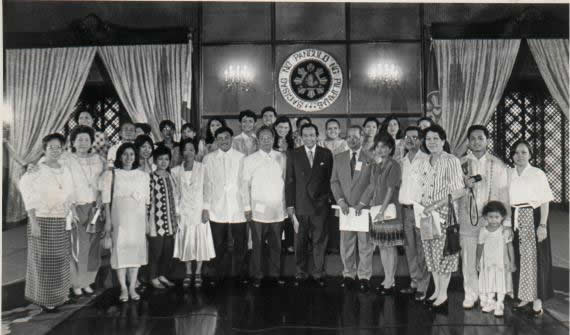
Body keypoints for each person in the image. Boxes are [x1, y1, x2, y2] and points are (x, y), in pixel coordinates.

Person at [19, 133, 78, 312]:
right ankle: (45, 299)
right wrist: (33, 221)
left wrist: (72, 212)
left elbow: (70, 193)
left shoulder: (65, 169)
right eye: (51, 147)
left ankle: (59, 295)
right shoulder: (36, 169)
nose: (55, 150)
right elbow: (27, 194)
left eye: (58, 147)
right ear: (44, 149)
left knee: (60, 259)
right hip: (41, 220)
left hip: (61, 220)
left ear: (63, 149)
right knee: (43, 261)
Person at [459, 125, 511, 309]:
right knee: (469, 258)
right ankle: (470, 294)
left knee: (491, 260)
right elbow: (454, 192)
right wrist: (464, 186)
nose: (476, 142)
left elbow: (504, 194)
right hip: (467, 218)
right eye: (472, 138)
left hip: (493, 221)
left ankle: (488, 296)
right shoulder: (461, 163)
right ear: (468, 141)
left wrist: (507, 223)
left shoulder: (497, 164)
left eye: (480, 138)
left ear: (487, 140)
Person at [417, 125, 465, 311]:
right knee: (431, 255)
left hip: (444, 214)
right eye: (428, 139)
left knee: (444, 255)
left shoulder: (451, 160)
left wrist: (435, 205)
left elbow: (459, 190)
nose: (432, 142)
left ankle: (444, 294)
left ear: (443, 141)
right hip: (426, 214)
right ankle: (437, 290)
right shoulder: (424, 161)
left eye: (436, 138)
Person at [285, 123, 334, 287]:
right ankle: (300, 272)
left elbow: (330, 180)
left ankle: (318, 273)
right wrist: (290, 205)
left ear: (317, 136)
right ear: (300, 137)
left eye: (312, 135)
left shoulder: (326, 154)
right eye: (305, 135)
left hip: (320, 205)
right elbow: (290, 181)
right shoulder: (293, 154)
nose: (309, 138)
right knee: (300, 241)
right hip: (300, 205)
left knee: (320, 241)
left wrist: (327, 199)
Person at [509, 140, 554, 316]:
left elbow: (544, 201)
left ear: (530, 154)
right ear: (511, 155)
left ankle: (537, 300)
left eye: (524, 152)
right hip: (516, 218)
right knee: (521, 258)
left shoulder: (537, 174)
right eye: (516, 152)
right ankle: (525, 296)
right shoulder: (509, 173)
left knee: (537, 259)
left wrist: (542, 224)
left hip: (534, 217)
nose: (519, 156)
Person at [102, 142, 150, 302]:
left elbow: (146, 201)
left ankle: (132, 287)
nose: (129, 158)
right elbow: (106, 200)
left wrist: (147, 221)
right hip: (119, 218)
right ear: (119, 156)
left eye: (132, 154)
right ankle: (123, 287)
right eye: (125, 154)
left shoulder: (143, 175)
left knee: (135, 251)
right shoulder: (111, 174)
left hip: (137, 218)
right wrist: (108, 221)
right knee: (120, 250)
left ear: (136, 157)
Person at [357, 133, 404, 295]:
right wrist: (363, 204)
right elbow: (372, 187)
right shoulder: (377, 166)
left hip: (388, 211)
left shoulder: (394, 165)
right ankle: (387, 278)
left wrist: (382, 211)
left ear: (391, 148)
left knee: (389, 247)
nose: (380, 149)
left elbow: (391, 190)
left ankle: (390, 282)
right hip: (377, 210)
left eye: (384, 146)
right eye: (378, 147)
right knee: (384, 247)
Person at [330, 125, 374, 291]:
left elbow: (373, 183)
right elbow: (334, 182)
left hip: (363, 208)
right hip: (345, 208)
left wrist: (362, 203)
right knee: (346, 243)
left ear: (362, 137)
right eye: (349, 137)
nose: (352, 140)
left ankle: (364, 276)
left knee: (365, 244)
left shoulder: (370, 157)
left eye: (355, 137)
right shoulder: (339, 157)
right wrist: (340, 201)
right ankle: (348, 274)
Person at [63, 126, 106, 297]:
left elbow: (105, 181)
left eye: (86, 139)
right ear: (73, 142)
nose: (83, 143)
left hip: (95, 207)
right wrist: (70, 207)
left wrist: (102, 198)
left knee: (94, 247)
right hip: (76, 206)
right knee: (79, 247)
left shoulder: (98, 159)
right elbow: (64, 185)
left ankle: (88, 281)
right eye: (79, 139)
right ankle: (77, 283)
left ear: (91, 142)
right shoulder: (66, 159)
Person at [242, 126, 287, 288]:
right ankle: (257, 275)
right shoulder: (249, 160)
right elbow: (244, 186)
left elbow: (285, 183)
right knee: (258, 244)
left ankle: (275, 274)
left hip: (277, 210)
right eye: (263, 138)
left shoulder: (282, 157)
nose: (266, 140)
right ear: (258, 140)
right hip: (257, 210)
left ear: (274, 139)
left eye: (269, 137)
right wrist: (247, 207)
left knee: (276, 244)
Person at [202, 126, 248, 286]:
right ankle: (217, 275)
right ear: (216, 140)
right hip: (217, 207)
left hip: (238, 207)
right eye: (220, 138)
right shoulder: (208, 158)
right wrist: (206, 207)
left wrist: (247, 207)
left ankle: (239, 275)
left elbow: (245, 183)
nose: (223, 141)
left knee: (240, 243)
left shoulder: (242, 157)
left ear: (232, 138)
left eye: (226, 137)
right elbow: (207, 184)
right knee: (217, 243)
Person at [172, 138, 216, 289]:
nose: (188, 152)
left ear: (195, 152)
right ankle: (188, 272)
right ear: (181, 152)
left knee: (199, 241)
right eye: (185, 149)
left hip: (199, 211)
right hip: (184, 212)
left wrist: (205, 209)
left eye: (191, 149)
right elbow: (175, 193)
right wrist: (177, 212)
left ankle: (198, 272)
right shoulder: (175, 171)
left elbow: (208, 189)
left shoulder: (202, 168)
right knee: (186, 242)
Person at [398, 126, 430, 301]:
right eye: (407, 137)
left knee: (423, 249)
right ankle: (414, 282)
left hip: (421, 210)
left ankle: (424, 286)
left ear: (421, 140)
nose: (410, 140)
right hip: (405, 210)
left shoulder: (427, 160)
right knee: (409, 248)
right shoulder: (401, 161)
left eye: (415, 137)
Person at [476, 201, 515, 317]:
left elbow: (510, 247)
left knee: (501, 282)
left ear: (502, 217)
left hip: (501, 263)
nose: (494, 220)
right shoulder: (483, 231)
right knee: (489, 281)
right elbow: (480, 246)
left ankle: (500, 303)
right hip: (487, 262)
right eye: (491, 217)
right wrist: (477, 260)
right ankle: (491, 301)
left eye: (497, 217)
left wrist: (512, 262)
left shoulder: (505, 231)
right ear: (485, 217)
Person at [147, 146, 178, 289]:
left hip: (170, 221)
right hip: (156, 221)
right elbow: (148, 201)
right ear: (154, 161)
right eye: (160, 159)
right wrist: (148, 221)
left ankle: (162, 274)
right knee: (156, 251)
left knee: (168, 251)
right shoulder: (151, 177)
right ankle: (153, 277)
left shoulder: (171, 176)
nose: (163, 162)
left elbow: (176, 198)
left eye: (166, 159)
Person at [319, 118, 349, 255]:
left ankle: (337, 246)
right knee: (325, 216)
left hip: (340, 184)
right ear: (325, 130)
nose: (332, 131)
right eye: (329, 128)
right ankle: (326, 246)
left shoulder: (345, 144)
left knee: (338, 216)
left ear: (340, 130)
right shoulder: (321, 144)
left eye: (335, 128)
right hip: (323, 184)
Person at [272, 116, 295, 255]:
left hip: (290, 181)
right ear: (275, 127)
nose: (283, 130)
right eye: (280, 127)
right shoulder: (270, 142)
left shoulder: (294, 143)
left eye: (286, 127)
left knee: (290, 213)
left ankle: (290, 243)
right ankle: (276, 243)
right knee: (276, 214)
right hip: (274, 183)